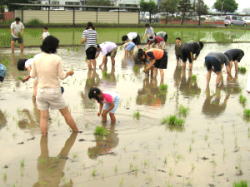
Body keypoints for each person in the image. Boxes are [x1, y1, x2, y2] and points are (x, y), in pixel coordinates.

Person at [30, 35, 79, 135]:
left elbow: (32, 75)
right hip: (53, 91)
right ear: (54, 47)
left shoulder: (36, 58)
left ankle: (44, 138)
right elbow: (61, 76)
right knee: (66, 113)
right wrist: (68, 73)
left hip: (41, 92)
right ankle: (76, 132)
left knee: (43, 117)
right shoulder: (57, 59)